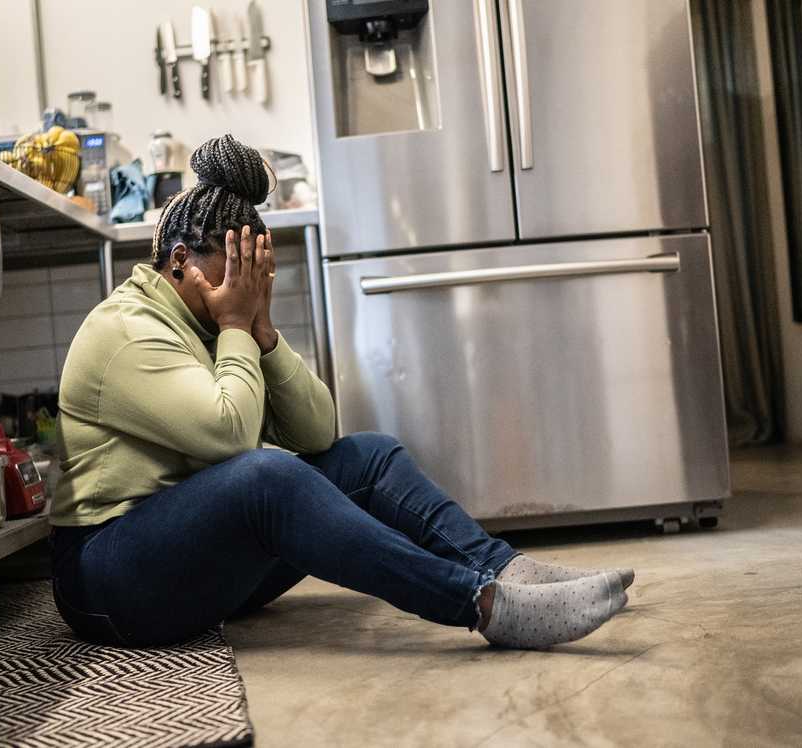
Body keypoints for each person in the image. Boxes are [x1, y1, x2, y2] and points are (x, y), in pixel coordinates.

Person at [50, 134, 633, 650]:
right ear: (181, 260)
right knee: (264, 478)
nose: (247, 284)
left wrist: (263, 333)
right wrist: (234, 326)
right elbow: (228, 438)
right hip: (109, 581)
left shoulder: (210, 323)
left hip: (192, 567)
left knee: (368, 456)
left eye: (255, 268)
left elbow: (317, 433)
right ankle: (481, 604)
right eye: (235, 268)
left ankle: (506, 569)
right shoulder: (127, 330)